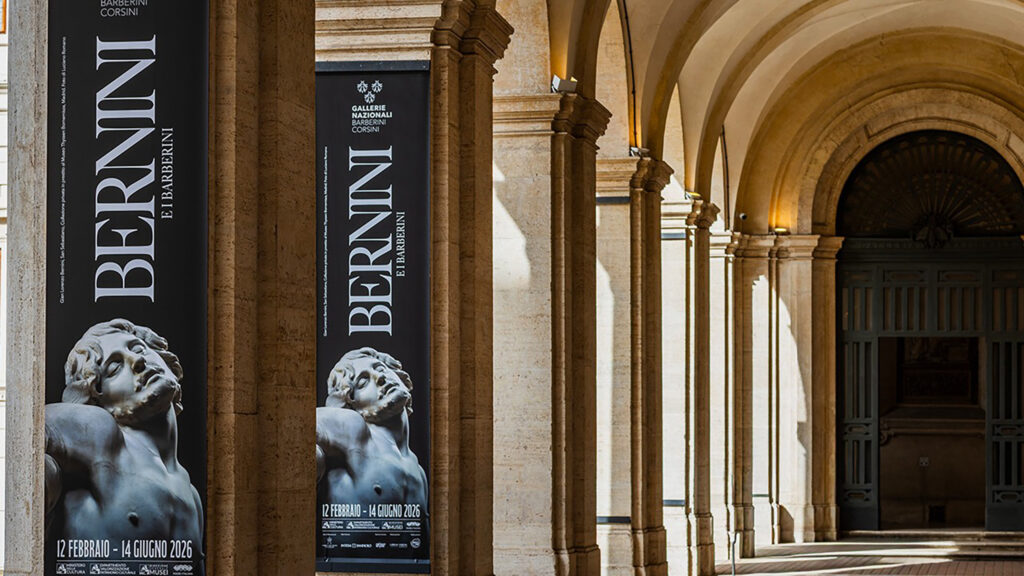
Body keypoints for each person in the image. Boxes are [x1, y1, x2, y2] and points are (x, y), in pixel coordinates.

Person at [45, 319, 204, 574]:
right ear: (98, 401)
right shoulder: (103, 436)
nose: (138, 361)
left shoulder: (190, 493)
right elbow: (28, 432)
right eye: (114, 368)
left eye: (139, 349)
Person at [316, 347, 428, 525]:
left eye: (381, 369)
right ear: (352, 406)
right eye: (363, 382)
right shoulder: (353, 429)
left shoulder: (418, 471)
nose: (381, 378)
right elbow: (299, 427)